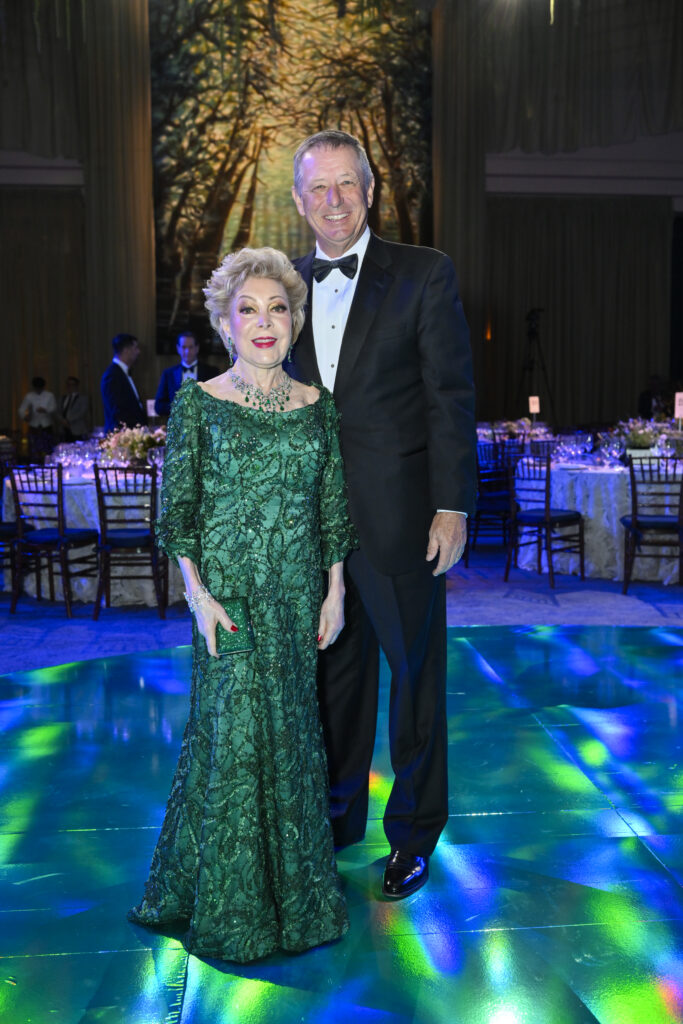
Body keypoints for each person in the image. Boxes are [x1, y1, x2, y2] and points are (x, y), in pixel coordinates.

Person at [128, 247, 355, 962]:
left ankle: (296, 903)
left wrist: (335, 590)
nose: (264, 323)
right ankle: (230, 909)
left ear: (294, 323)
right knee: (231, 743)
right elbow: (179, 516)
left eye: (277, 309)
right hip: (225, 604)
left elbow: (331, 511)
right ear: (226, 324)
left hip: (295, 600)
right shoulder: (198, 404)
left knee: (290, 740)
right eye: (248, 310)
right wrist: (197, 597)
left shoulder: (318, 409)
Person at [288, 129, 477, 900]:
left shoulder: (424, 274)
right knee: (331, 683)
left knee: (414, 683)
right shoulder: (285, 287)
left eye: (345, 186)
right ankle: (336, 822)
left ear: (369, 192)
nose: (332, 201)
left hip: (402, 519)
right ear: (299, 202)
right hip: (313, 530)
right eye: (317, 189)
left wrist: (450, 504)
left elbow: (449, 397)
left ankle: (413, 836)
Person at [154, 331, 219, 416]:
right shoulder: (168, 374)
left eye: (191, 347)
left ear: (197, 348)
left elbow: (218, 402)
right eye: (184, 347)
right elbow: (158, 406)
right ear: (178, 348)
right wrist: (179, 407)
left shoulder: (212, 372)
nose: (187, 351)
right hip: (176, 426)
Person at [100, 333, 147, 432]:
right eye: (135, 348)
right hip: (122, 438)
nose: (138, 352)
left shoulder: (122, 373)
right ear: (126, 350)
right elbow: (117, 412)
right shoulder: (112, 375)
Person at [19, 376, 57, 459]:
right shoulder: (29, 396)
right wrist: (25, 417)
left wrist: (46, 410)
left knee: (47, 447)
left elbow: (54, 407)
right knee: (33, 448)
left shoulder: (49, 395)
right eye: (36, 388)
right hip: (34, 424)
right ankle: (34, 464)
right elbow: (22, 409)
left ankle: (47, 465)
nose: (38, 390)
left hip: (46, 424)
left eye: (40, 388)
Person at [59, 376, 90, 441]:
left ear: (77, 386)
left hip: (77, 429)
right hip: (64, 429)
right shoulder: (63, 398)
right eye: (68, 384)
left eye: (72, 385)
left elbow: (82, 412)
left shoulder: (83, 398)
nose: (70, 387)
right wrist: (62, 420)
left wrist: (68, 420)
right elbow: (58, 411)